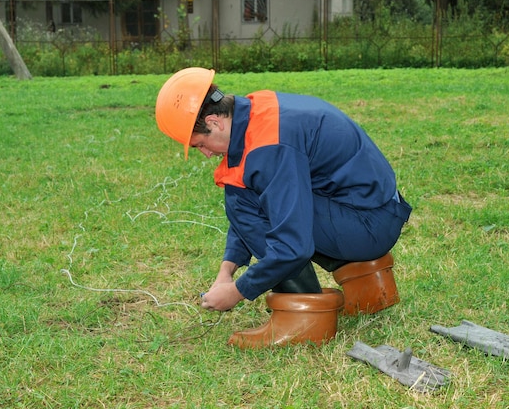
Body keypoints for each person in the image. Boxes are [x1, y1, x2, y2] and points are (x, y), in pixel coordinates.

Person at [155, 67, 412, 349]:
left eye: (200, 144)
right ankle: (369, 282)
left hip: (368, 226)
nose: (205, 153)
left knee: (240, 193)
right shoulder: (258, 110)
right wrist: (226, 269)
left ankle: (304, 315)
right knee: (244, 185)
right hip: (375, 210)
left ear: (214, 122)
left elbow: (292, 244)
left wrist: (239, 291)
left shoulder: (269, 147)